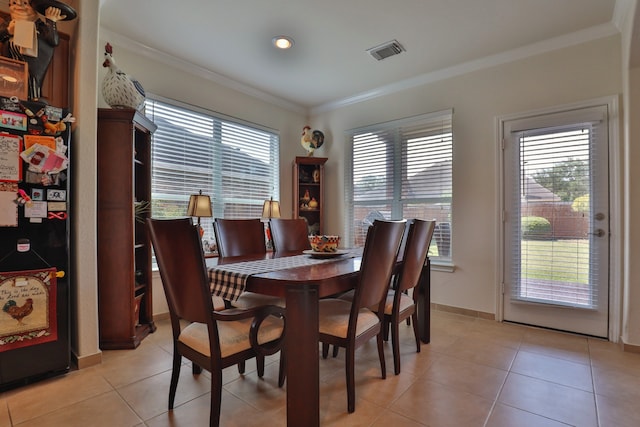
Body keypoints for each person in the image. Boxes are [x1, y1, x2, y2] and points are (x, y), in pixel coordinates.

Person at [0, 0, 67, 100]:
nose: (19, 5)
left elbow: (54, 41)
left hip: (33, 68)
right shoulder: (7, 24)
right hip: (11, 72)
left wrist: (51, 20)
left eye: (25, 3)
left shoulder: (40, 27)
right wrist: (9, 31)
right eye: (14, 3)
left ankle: (33, 99)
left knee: (32, 86)